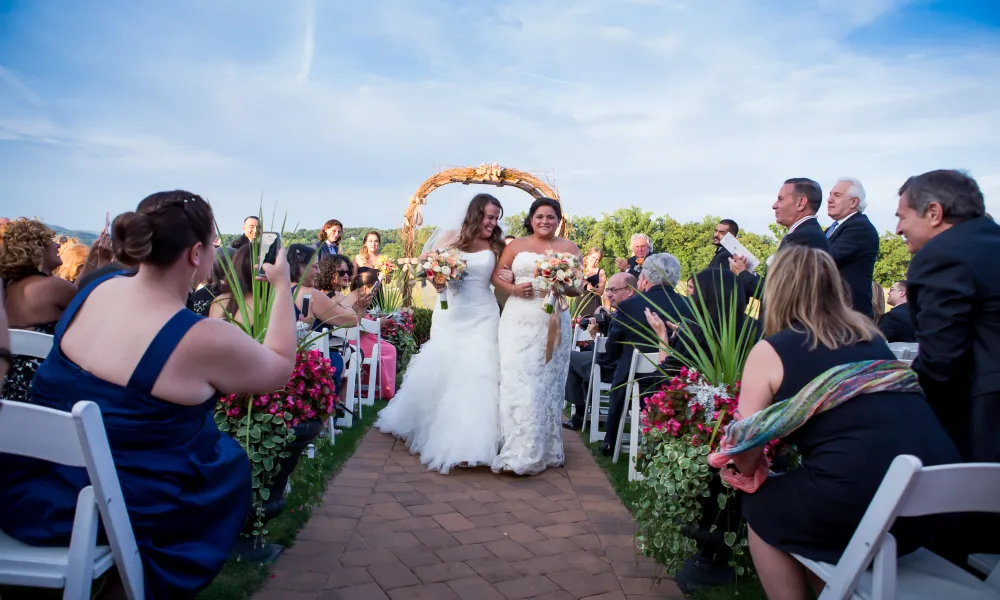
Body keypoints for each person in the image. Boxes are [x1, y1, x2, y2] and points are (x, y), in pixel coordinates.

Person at [0, 191, 298, 599]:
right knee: (224, 467)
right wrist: (282, 287)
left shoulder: (94, 288)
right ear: (195, 253)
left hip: (25, 482)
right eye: (213, 244)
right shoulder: (200, 338)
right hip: (106, 506)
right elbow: (279, 366)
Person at [722, 246, 960, 600]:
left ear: (778, 289)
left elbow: (746, 446)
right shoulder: (873, 339)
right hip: (934, 501)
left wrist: (747, 472)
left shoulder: (771, 350)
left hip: (863, 500)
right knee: (806, 501)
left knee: (761, 506)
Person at [377, 194, 505, 473]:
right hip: (451, 313)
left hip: (484, 313)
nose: (492, 223)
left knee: (478, 374)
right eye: (488, 216)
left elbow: (502, 279)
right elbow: (427, 268)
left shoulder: (497, 244)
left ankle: (470, 443)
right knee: (446, 369)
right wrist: (437, 282)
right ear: (475, 214)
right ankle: (434, 427)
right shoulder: (450, 237)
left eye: (496, 218)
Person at [895, 169, 1000, 464]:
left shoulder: (941, 256)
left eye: (902, 217)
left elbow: (941, 360)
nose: (897, 230)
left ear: (933, 212)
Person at [491, 198, 581, 475]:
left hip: (553, 320)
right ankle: (520, 446)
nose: (545, 221)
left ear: (558, 220)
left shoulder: (569, 248)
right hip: (518, 319)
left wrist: (562, 286)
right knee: (519, 380)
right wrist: (514, 289)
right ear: (531, 219)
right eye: (540, 216)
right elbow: (496, 277)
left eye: (551, 217)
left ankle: (547, 448)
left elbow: (577, 288)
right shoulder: (516, 246)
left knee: (547, 383)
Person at [597, 252, 690, 456]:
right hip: (676, 381)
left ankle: (610, 439)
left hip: (633, 384)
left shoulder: (630, 306)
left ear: (645, 278)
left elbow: (612, 348)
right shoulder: (690, 306)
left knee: (622, 362)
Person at [0, 218, 78, 403]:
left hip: (8, 390)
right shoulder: (55, 287)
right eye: (51, 239)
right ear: (39, 248)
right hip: (45, 391)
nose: (57, 244)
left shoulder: (7, 289)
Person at [730, 178, 831, 299]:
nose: (774, 205)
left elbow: (779, 294)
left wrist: (742, 274)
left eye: (780, 199)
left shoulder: (801, 238)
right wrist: (749, 272)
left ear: (801, 203)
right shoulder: (809, 233)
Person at [563, 272, 636, 431]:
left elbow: (610, 350)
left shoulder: (625, 312)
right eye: (608, 289)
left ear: (630, 290)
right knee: (578, 360)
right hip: (624, 363)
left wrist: (595, 334)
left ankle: (581, 413)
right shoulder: (635, 309)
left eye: (614, 290)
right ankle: (584, 412)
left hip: (613, 368)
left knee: (567, 358)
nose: (608, 294)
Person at [825, 177, 879, 318]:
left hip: (848, 318)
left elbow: (826, 258)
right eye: (830, 194)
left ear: (854, 201)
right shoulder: (833, 228)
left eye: (837, 195)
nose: (829, 200)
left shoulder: (860, 227)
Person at [349, 270, 398, 400]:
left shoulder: (357, 298)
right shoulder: (357, 301)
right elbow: (360, 325)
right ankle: (385, 388)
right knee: (390, 350)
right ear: (366, 287)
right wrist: (377, 324)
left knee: (387, 347)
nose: (375, 293)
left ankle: (378, 384)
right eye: (374, 290)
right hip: (358, 340)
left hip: (362, 338)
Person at [579, 247, 607, 316]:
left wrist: (592, 288)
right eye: (593, 257)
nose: (594, 261)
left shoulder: (600, 272)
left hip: (593, 303)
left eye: (597, 259)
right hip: (579, 302)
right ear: (588, 256)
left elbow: (601, 291)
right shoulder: (579, 268)